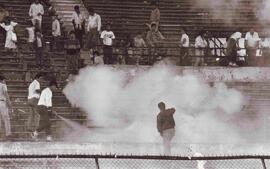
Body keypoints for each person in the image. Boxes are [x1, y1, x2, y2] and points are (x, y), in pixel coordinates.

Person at [0, 75, 12, 139]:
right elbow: (6, 94)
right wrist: (9, 102)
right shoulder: (3, 85)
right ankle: (8, 133)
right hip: (2, 102)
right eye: (4, 80)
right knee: (6, 118)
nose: (5, 81)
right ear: (2, 80)